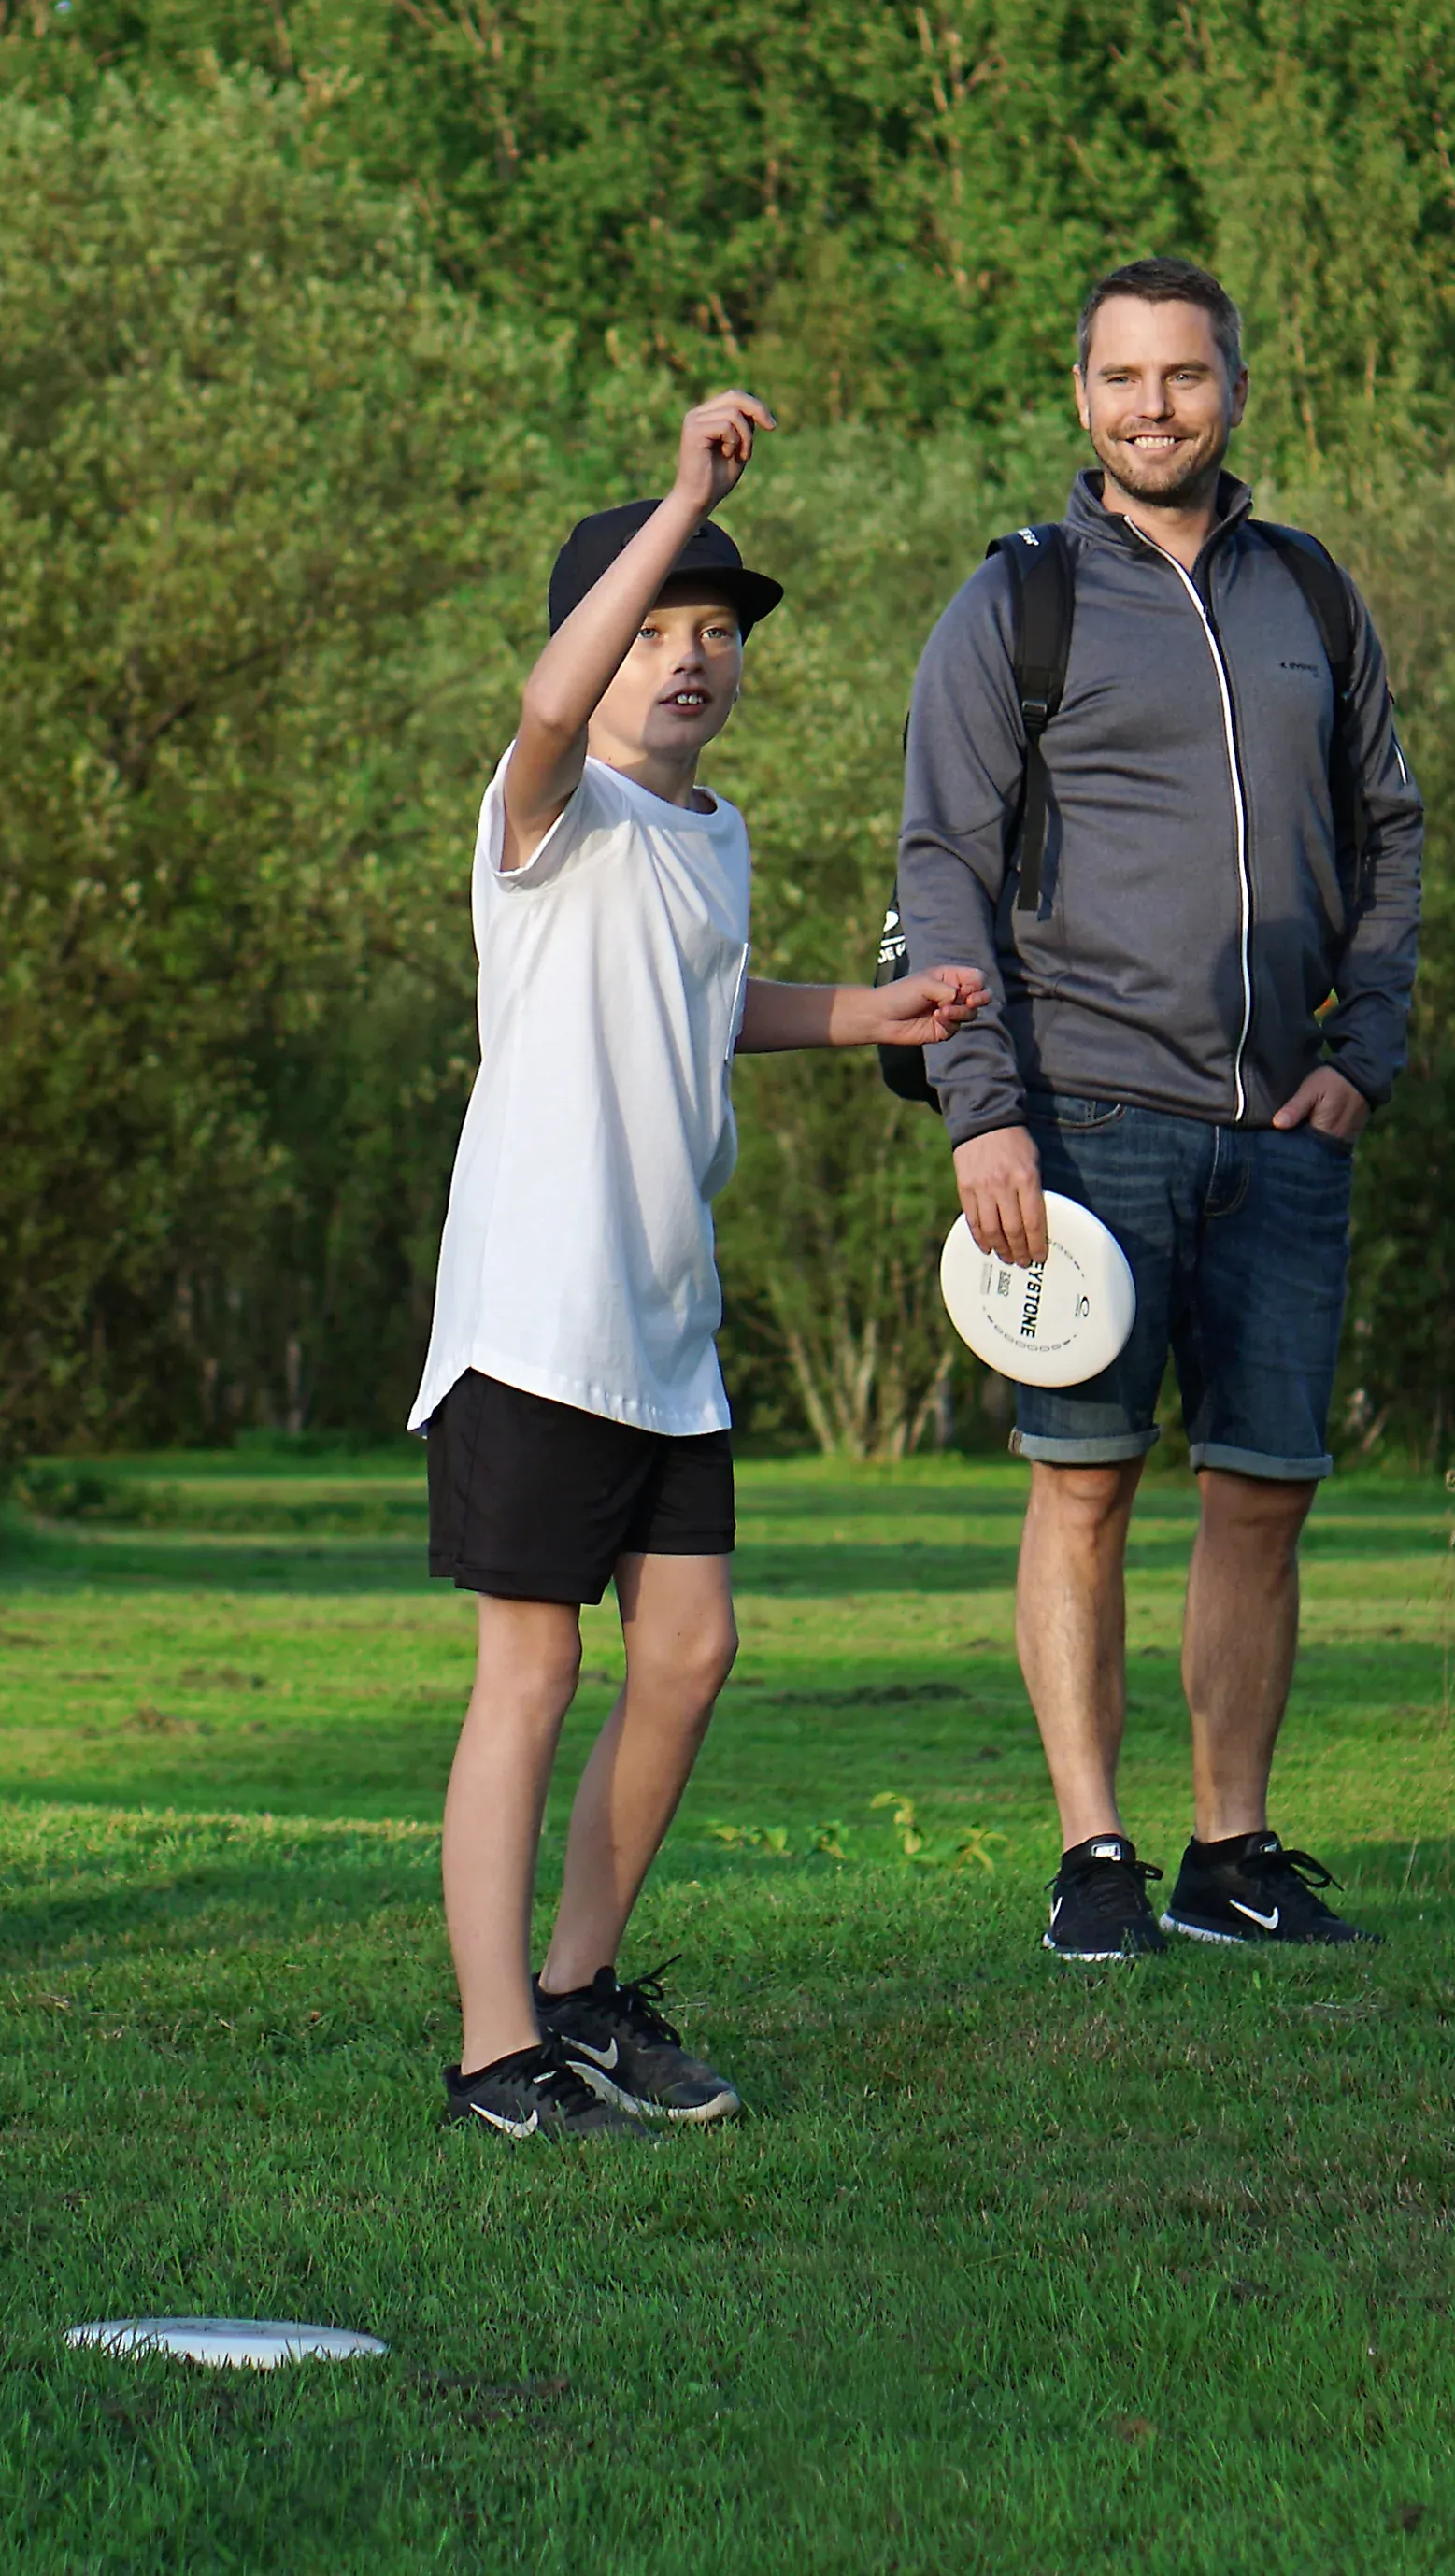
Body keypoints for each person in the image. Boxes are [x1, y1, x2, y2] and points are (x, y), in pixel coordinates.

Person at [417, 394, 990, 2137]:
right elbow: (536, 704)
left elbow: (698, 1005)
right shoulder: (546, 809)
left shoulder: (709, 835)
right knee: (536, 1670)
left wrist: (856, 1015)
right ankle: (492, 2052)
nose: (689, 660)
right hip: (536, 1316)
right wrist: (681, 499)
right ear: (590, 661)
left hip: (666, 1330)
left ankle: (584, 1992)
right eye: (656, 629)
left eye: (716, 634)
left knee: (691, 1655)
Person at [892, 255, 1423, 1963]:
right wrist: (983, 1112)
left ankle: (1233, 1850)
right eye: (1122, 379)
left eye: (1184, 377)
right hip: (1086, 1120)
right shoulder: (1019, 603)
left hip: (1287, 1131)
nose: (1153, 408)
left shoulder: (1313, 596)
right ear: (1080, 395)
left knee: (1262, 1490)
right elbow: (943, 869)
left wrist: (1370, 1044)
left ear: (1234, 391)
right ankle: (1095, 1854)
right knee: (1088, 1483)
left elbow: (1393, 833)